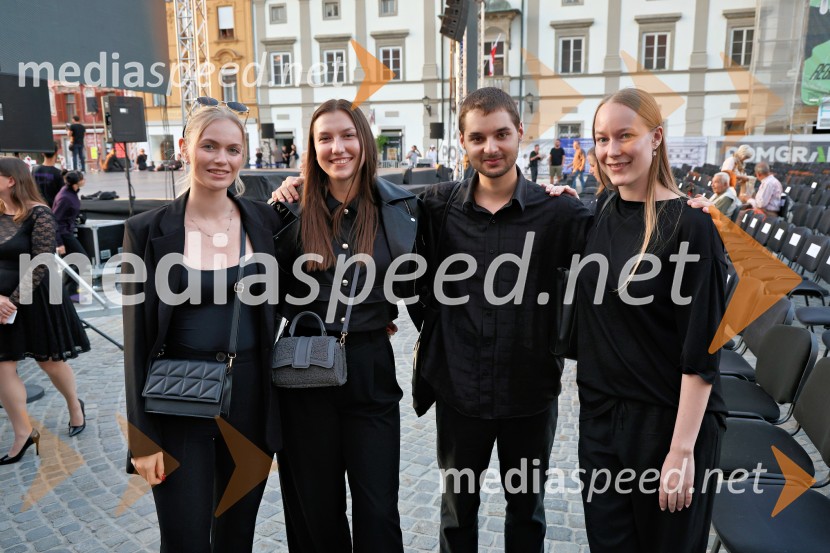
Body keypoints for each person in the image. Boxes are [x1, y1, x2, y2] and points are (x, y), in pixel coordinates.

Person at [416, 87, 591, 552]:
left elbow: (626, 233)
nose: (490, 148)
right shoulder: (436, 208)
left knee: (527, 512)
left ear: (521, 135)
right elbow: (371, 214)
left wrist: (682, 205)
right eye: (477, 138)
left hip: (529, 394)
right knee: (457, 513)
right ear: (462, 141)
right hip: (459, 391)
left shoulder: (560, 212)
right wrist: (297, 186)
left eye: (501, 135)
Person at [122, 103, 283, 551]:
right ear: (184, 148)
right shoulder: (147, 230)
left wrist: (373, 316)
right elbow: (136, 342)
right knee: (184, 536)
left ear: (245, 155)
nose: (221, 159)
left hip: (251, 400)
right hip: (178, 401)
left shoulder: (265, 221)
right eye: (209, 146)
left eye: (233, 149)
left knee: (237, 534)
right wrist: (142, 438)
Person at [576, 88, 726, 553]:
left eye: (626, 136)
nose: (611, 151)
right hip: (600, 420)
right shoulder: (599, 211)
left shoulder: (691, 226)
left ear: (656, 137)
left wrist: (681, 451)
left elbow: (702, 351)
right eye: (601, 139)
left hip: (666, 426)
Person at [270, 99, 422, 552]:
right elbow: (262, 294)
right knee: (316, 508)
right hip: (303, 367)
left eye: (347, 135)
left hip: (369, 365)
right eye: (325, 138)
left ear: (365, 140)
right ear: (312, 148)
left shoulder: (399, 207)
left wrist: (544, 194)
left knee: (378, 507)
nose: (338, 147)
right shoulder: (287, 212)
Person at [0, 157, 88, 465]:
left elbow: (41, 262)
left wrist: (11, 299)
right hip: (0, 303)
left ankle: (75, 406)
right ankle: (23, 434)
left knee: (49, 362)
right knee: (3, 367)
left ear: (11, 180)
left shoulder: (40, 214)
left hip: (37, 297)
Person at [52, 171, 90, 298]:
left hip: (67, 231)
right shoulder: (65, 197)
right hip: (63, 234)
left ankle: (68, 292)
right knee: (81, 259)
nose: (84, 180)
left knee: (72, 261)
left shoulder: (71, 193)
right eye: (82, 178)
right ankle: (69, 292)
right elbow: (55, 219)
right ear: (76, 182)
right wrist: (59, 242)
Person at [32, 142, 64, 208]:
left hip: (38, 207)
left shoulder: (34, 170)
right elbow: (63, 195)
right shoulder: (59, 173)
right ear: (56, 153)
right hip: (54, 208)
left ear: (42, 153)